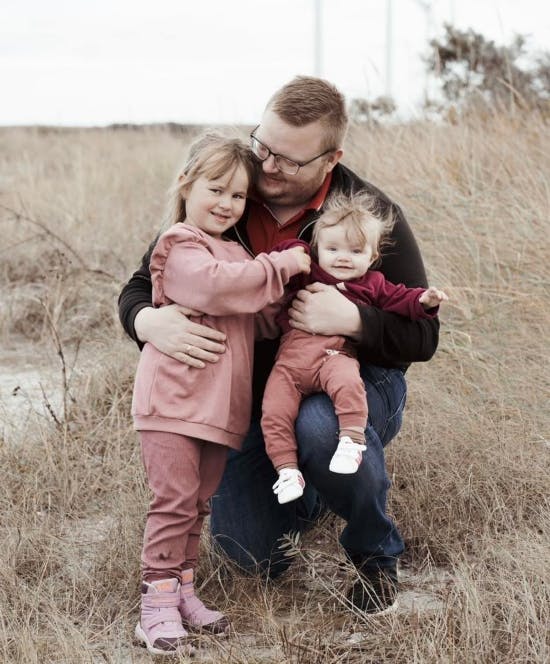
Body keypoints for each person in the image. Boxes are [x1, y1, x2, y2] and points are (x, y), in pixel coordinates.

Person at [118, 75, 440, 616]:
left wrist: (356, 320)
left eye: (287, 160)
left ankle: (373, 551)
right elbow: (140, 285)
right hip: (253, 390)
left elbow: (424, 336)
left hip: (346, 379)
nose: (266, 166)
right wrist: (147, 322)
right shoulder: (229, 194)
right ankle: (310, 484)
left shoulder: (367, 214)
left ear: (330, 158)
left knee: (320, 429)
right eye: (261, 145)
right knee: (251, 555)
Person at [131, 132, 310, 656]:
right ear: (187, 185)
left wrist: (295, 301)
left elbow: (256, 317)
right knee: (173, 503)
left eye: (238, 196)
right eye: (216, 189)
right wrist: (279, 266)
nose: (227, 203)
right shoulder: (180, 244)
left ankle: (184, 591)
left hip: (217, 410)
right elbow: (216, 287)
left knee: (198, 505)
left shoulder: (236, 252)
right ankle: (155, 607)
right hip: (172, 404)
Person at [262, 192, 447, 505]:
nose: (343, 257)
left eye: (355, 250)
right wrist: (294, 251)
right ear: (317, 249)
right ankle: (287, 470)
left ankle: (351, 439)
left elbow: (401, 298)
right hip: (290, 365)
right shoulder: (307, 274)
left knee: (349, 385)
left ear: (373, 257)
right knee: (273, 411)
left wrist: (423, 301)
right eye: (332, 248)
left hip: (334, 357)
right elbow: (282, 255)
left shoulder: (373, 284)